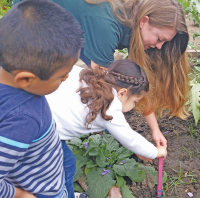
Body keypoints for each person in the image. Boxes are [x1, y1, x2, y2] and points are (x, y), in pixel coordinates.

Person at [12, 0, 191, 151]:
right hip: (33, 17)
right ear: (144, 21)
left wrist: (155, 130)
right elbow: (106, 97)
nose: (160, 47)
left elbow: (136, 87)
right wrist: (130, 142)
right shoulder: (107, 26)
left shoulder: (133, 22)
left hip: (69, 26)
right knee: (36, 95)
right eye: (160, 39)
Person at [0, 0, 83, 197]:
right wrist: (22, 195)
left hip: (40, 165)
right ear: (26, 79)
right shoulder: (23, 119)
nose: (67, 78)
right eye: (61, 76)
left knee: (68, 163)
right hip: (42, 191)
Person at [46, 60, 168, 197]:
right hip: (42, 136)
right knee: (59, 171)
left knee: (66, 163)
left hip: (39, 114)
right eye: (135, 101)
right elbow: (131, 139)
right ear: (122, 93)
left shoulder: (90, 78)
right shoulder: (111, 107)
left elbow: (118, 127)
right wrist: (156, 152)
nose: (134, 106)